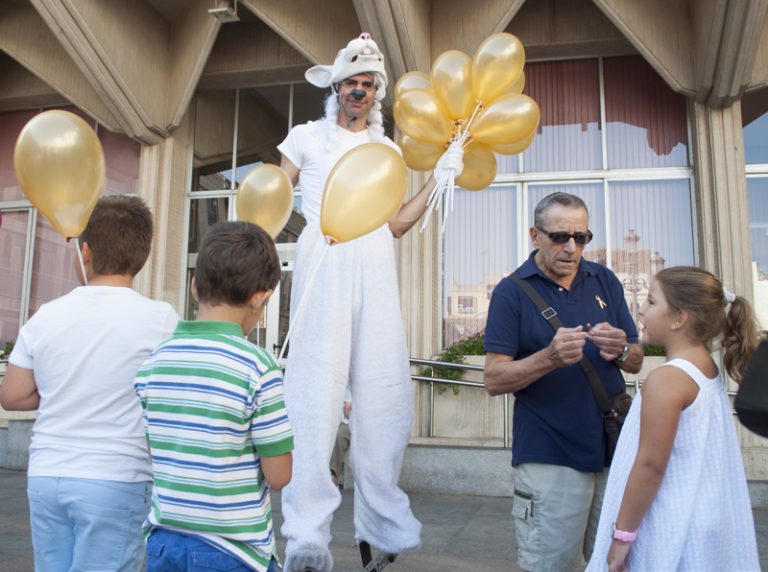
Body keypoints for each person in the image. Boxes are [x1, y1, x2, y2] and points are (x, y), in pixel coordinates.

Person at [277, 33, 463, 572]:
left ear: (375, 93)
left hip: (376, 261)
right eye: (351, 83)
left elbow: (397, 224)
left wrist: (437, 179)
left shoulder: (387, 150)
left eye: (367, 85)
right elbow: (275, 192)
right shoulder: (306, 136)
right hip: (326, 255)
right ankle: (306, 536)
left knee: (384, 396)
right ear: (335, 87)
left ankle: (383, 524)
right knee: (313, 396)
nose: (358, 92)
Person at [0, 195, 179, 571]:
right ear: (142, 257)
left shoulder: (47, 315)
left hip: (48, 474)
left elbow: (12, 395)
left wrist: (61, 389)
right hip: (116, 476)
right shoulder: (161, 319)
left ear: (85, 251)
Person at [483, 191, 643, 572]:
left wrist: (621, 350)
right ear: (534, 235)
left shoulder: (603, 278)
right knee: (552, 565)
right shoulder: (512, 292)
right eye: (559, 237)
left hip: (612, 452)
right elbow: (493, 378)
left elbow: (635, 359)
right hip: (549, 457)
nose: (572, 248)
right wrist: (548, 358)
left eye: (581, 237)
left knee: (615, 564)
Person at [134, 221, 293, 572]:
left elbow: (157, 450)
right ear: (260, 297)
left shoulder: (155, 362)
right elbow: (279, 475)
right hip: (233, 549)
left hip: (165, 542)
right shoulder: (259, 367)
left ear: (194, 286)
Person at [586, 267, 761, 572]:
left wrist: (622, 536)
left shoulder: (667, 380)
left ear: (679, 318)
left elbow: (650, 465)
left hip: (670, 528)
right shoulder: (705, 367)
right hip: (700, 519)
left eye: (652, 302)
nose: (640, 309)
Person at [329, 392, 352, 488]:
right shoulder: (349, 389)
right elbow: (347, 411)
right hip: (349, 424)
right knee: (340, 435)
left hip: (367, 425)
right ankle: (335, 475)